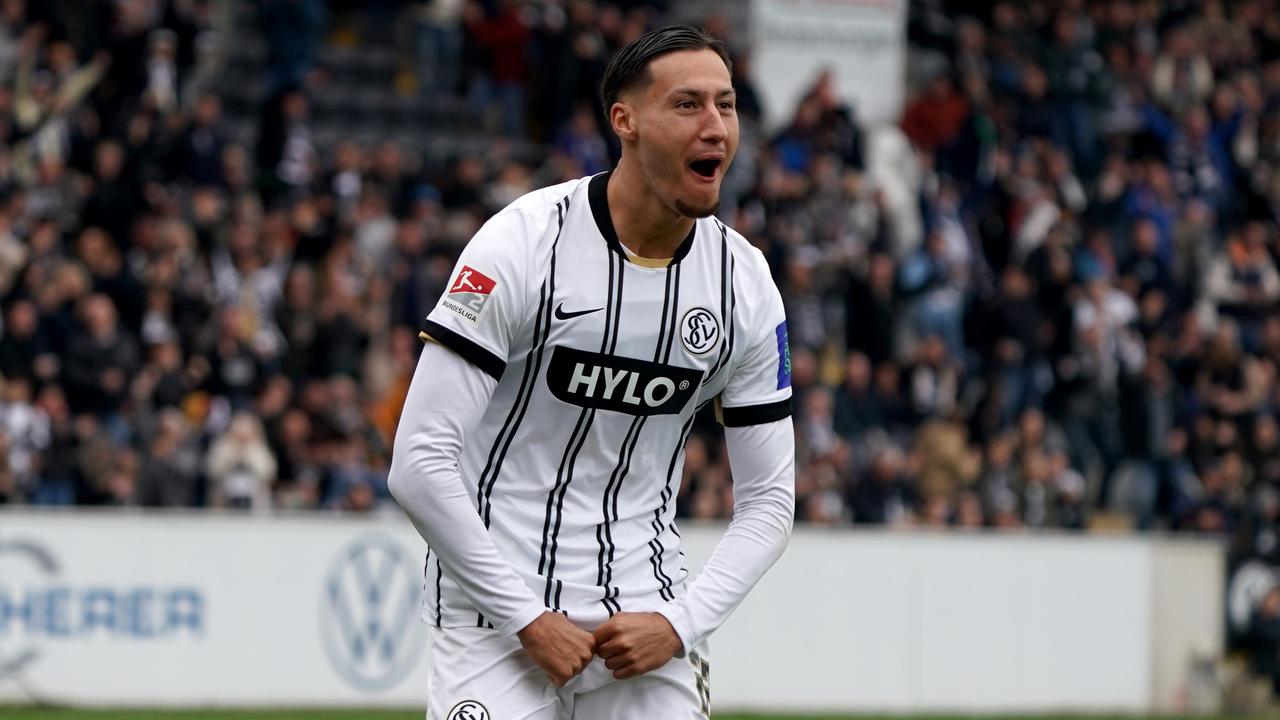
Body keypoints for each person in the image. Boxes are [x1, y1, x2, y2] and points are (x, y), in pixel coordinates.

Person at [387, 26, 795, 720]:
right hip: (494, 620)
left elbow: (769, 503)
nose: (715, 127)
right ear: (625, 121)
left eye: (725, 105)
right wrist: (527, 618)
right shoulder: (522, 243)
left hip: (644, 628)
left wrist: (680, 624)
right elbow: (419, 462)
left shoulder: (745, 284)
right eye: (687, 104)